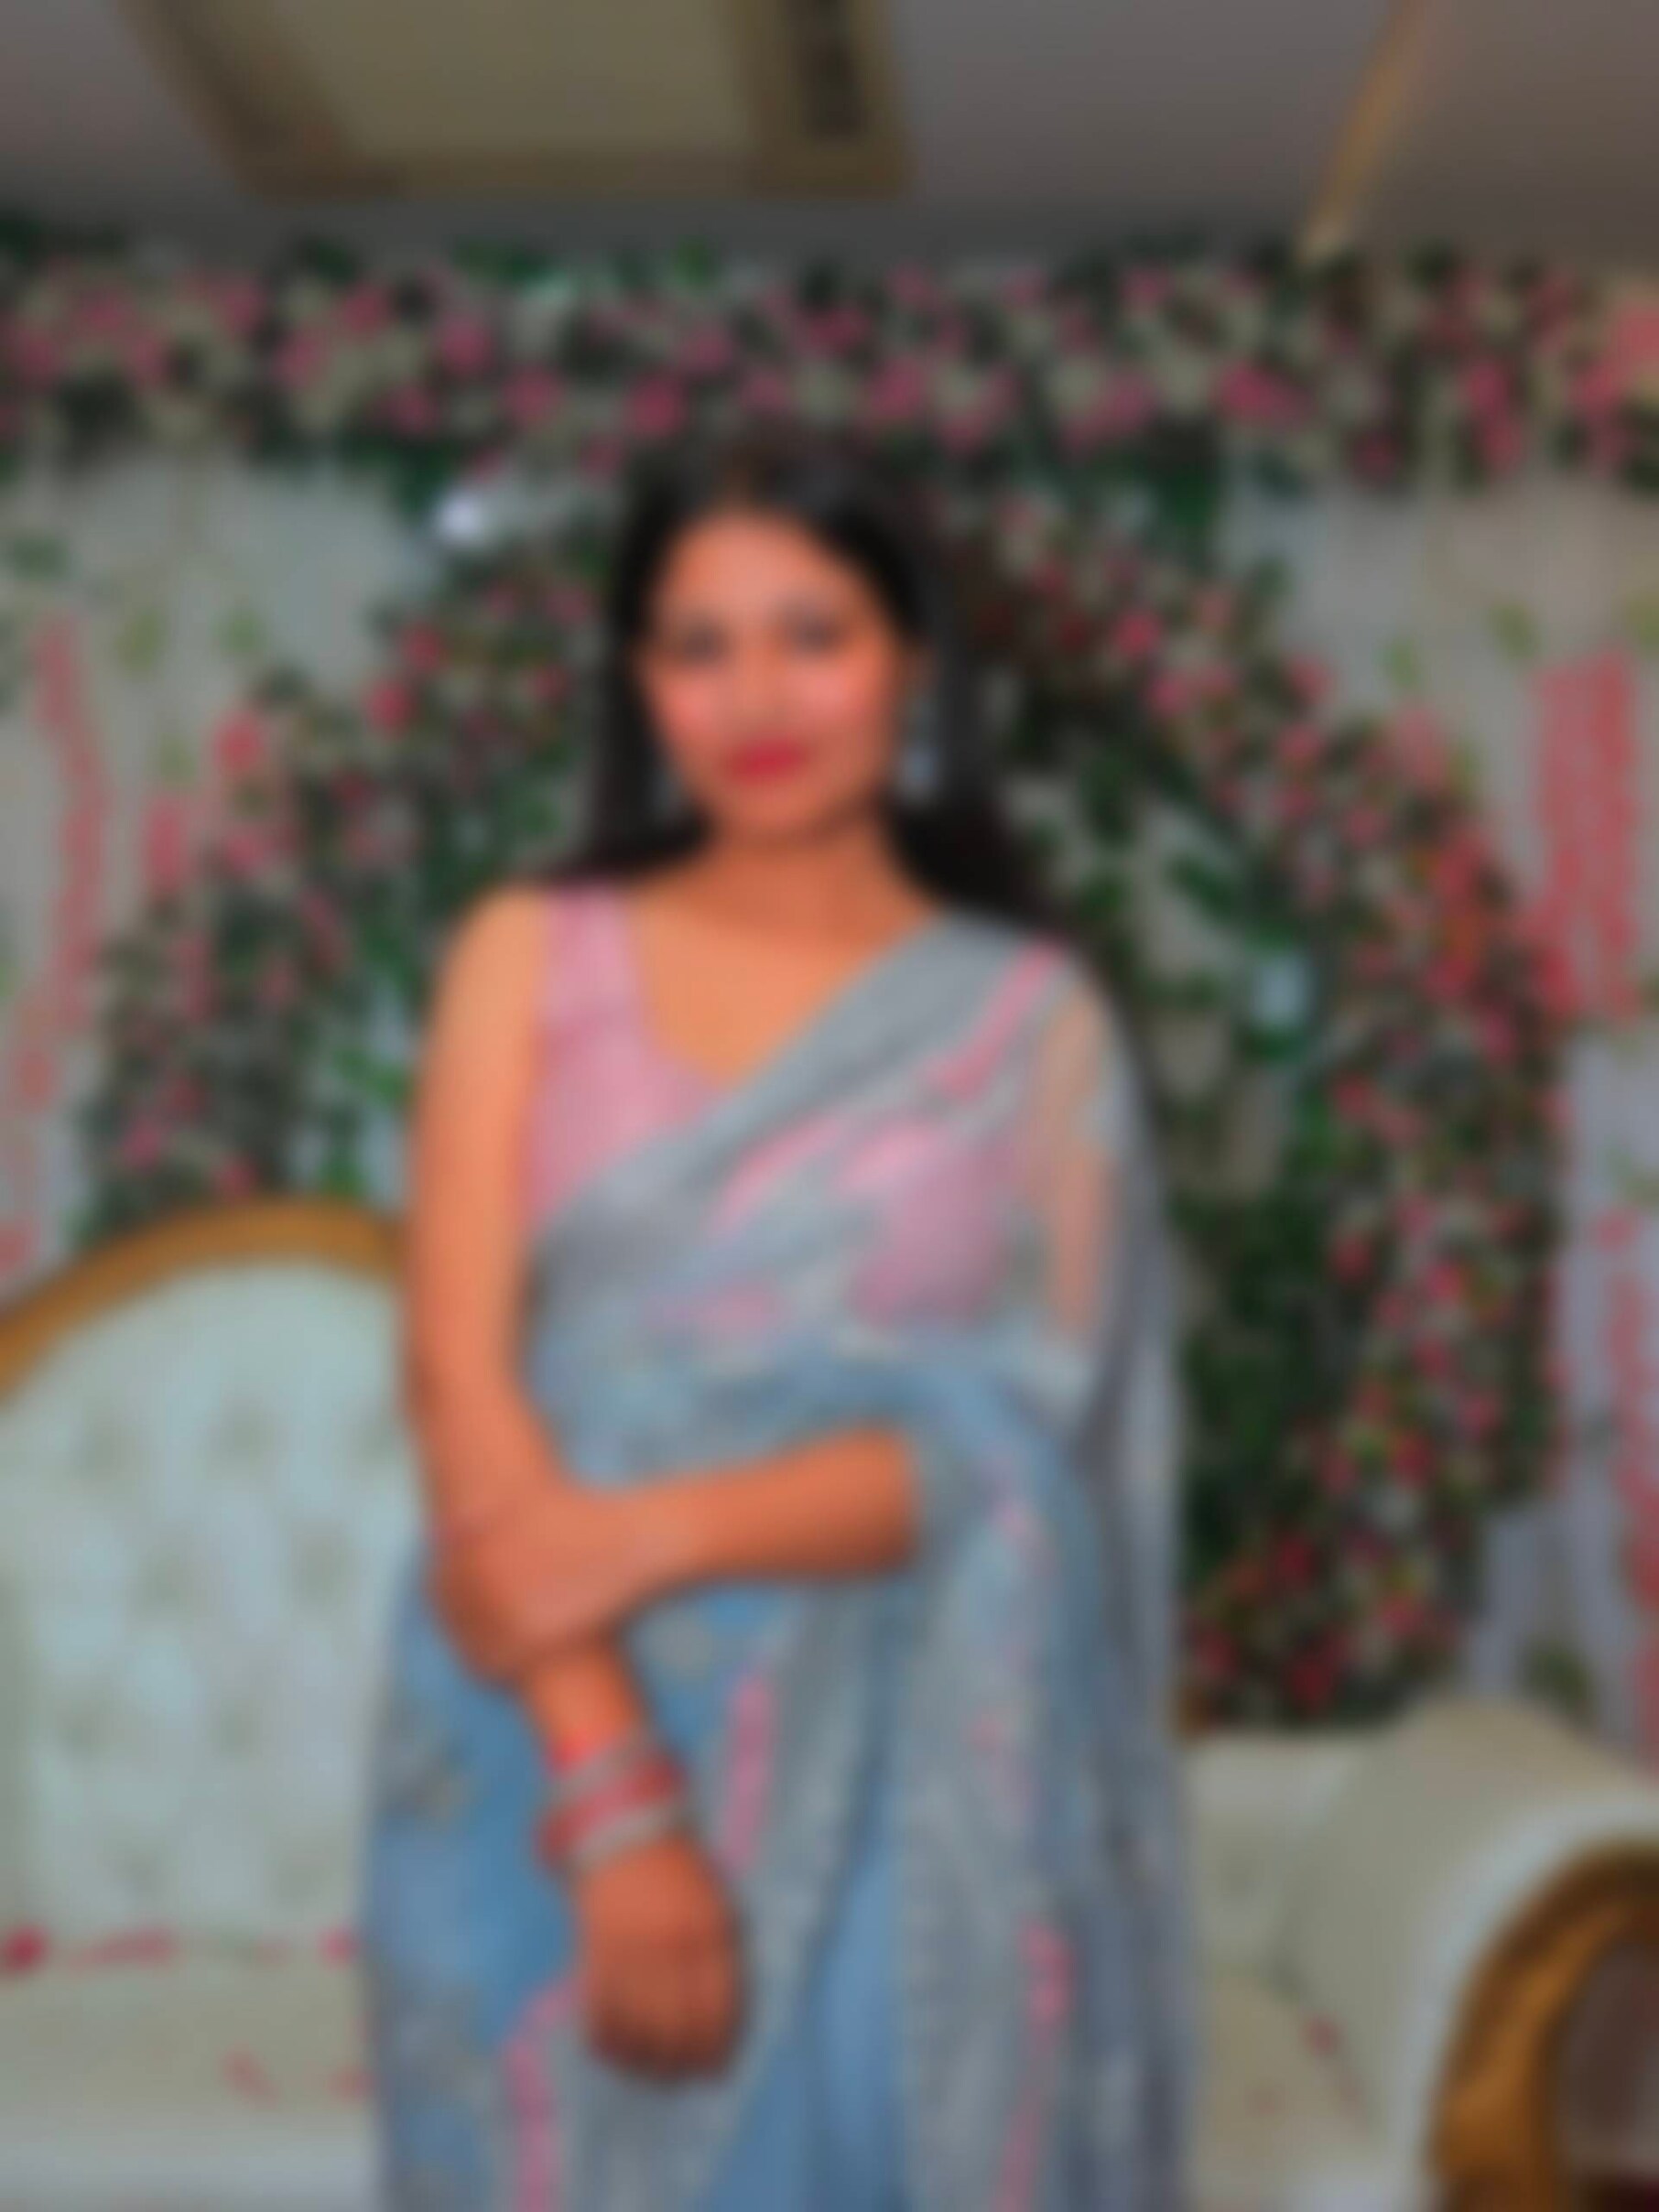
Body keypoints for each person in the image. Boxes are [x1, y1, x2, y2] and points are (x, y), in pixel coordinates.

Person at [359, 419, 1200, 2209]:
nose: (757, 697)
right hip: (554, 1722)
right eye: (700, 643)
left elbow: (1033, 1447)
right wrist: (613, 1797)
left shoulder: (1031, 1020)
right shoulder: (533, 947)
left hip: (922, 1730)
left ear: (916, 661)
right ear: (638, 679)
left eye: (814, 633)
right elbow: (454, 1380)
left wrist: (647, 1530)